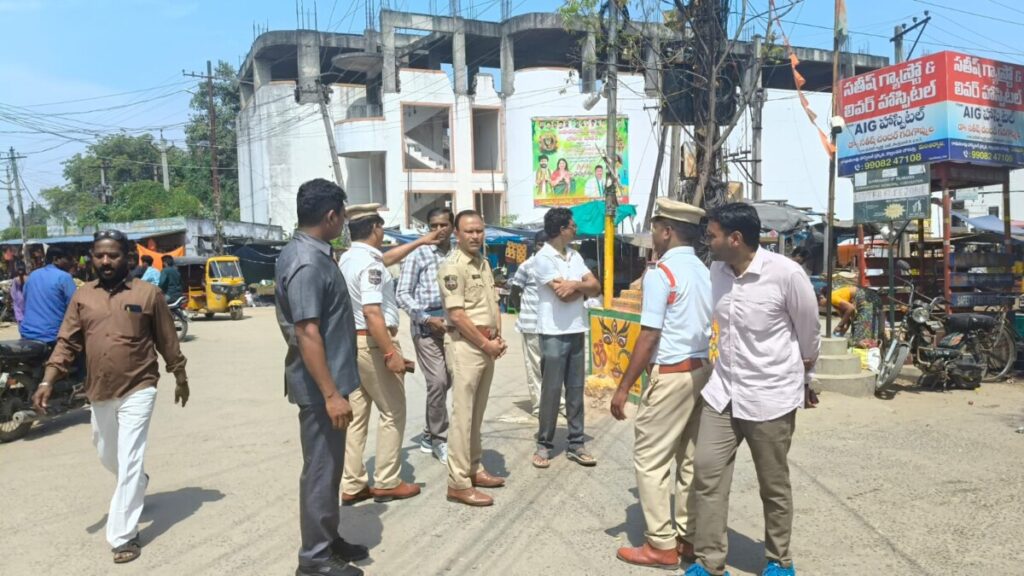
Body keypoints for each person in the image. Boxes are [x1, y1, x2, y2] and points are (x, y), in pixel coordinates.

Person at [32, 229, 189, 565]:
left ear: (127, 258)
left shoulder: (148, 294)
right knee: (107, 454)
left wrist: (180, 375)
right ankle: (139, 482)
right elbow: (67, 343)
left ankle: (123, 535)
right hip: (100, 388)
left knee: (130, 457)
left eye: (113, 255)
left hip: (140, 385)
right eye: (99, 255)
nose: (105, 261)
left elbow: (166, 339)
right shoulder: (82, 297)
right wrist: (47, 380)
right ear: (92, 257)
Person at [684, 203, 820, 576]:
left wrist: (805, 379)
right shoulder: (717, 271)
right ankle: (710, 563)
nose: (707, 242)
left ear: (736, 238)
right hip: (723, 392)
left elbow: (809, 334)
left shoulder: (787, 275)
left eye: (712, 235)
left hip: (770, 396)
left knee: (773, 484)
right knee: (707, 472)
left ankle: (779, 560)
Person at [610, 198, 712, 568]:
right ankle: (686, 537)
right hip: (702, 370)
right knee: (688, 460)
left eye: (654, 228)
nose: (652, 235)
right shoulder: (703, 270)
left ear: (667, 231)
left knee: (650, 461)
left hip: (670, 374)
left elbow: (649, 336)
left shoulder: (661, 274)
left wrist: (623, 388)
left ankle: (660, 545)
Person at [275, 179, 367, 576]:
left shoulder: (316, 252)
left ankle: (328, 539)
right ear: (331, 217)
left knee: (329, 469)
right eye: (343, 216)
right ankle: (313, 559)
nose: (344, 222)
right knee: (320, 470)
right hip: (319, 389)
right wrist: (331, 394)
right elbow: (306, 332)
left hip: (330, 383)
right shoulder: (307, 262)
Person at [337, 203, 442, 506]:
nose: (383, 234)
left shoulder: (349, 258)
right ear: (375, 229)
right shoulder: (370, 265)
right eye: (382, 228)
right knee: (393, 412)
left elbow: (386, 259)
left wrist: (421, 241)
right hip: (373, 343)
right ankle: (386, 480)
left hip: (352, 344)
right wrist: (390, 354)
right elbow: (372, 312)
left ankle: (353, 484)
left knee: (357, 418)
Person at [439, 210, 508, 507]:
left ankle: (473, 467)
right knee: (463, 416)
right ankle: (458, 482)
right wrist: (484, 342)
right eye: (469, 231)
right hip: (466, 345)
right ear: (457, 233)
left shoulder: (482, 262)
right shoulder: (453, 266)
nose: (476, 236)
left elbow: (491, 303)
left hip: (485, 344)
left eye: (479, 230)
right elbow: (456, 314)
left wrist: (497, 336)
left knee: (476, 415)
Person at [531, 208, 602, 469]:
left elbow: (595, 286)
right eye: (572, 226)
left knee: (575, 389)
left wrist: (575, 286)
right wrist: (579, 286)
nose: (576, 229)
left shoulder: (575, 255)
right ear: (561, 229)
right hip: (552, 331)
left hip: (576, 328)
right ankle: (544, 443)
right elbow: (562, 293)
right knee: (551, 391)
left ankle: (576, 443)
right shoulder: (543, 258)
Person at [396, 206, 455, 463]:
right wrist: (426, 318)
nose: (439, 231)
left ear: (452, 227)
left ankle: (430, 431)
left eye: (444, 225)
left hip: (454, 325)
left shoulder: (458, 254)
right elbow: (402, 294)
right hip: (426, 326)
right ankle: (440, 439)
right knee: (438, 381)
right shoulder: (418, 254)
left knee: (452, 378)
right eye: (433, 226)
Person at [508, 230, 547, 418]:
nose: (544, 248)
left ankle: (560, 404)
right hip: (531, 325)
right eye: (541, 244)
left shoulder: (557, 265)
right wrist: (522, 313)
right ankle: (539, 406)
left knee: (555, 367)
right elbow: (515, 293)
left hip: (553, 327)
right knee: (535, 367)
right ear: (535, 244)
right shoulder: (527, 266)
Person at [19, 245, 78, 344]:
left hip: (27, 333)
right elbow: (75, 307)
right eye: (68, 259)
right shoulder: (64, 277)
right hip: (52, 337)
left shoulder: (33, 275)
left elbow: (25, 299)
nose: (72, 263)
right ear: (56, 259)